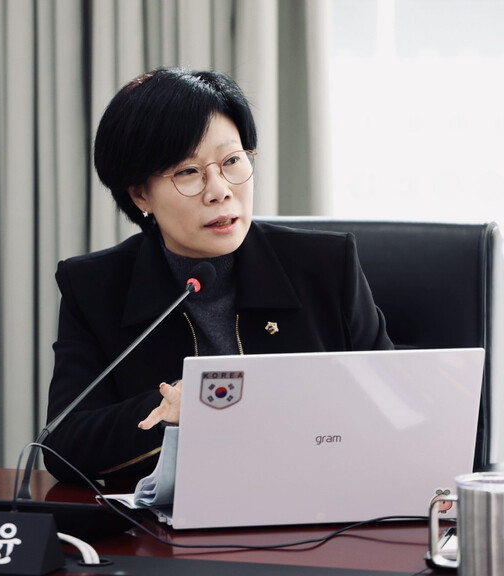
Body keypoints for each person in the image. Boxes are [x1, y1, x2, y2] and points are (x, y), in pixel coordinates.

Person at [44, 67, 393, 487]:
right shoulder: (94, 287)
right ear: (140, 195)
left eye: (231, 161)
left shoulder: (325, 265)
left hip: (319, 503)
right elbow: (62, 444)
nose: (219, 190)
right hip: (169, 518)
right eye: (188, 172)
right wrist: (174, 408)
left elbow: (394, 405)